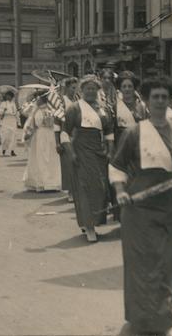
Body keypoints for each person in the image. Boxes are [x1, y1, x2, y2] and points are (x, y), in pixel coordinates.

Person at [110, 75, 172, 336]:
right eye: (154, 97)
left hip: (170, 206)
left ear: (170, 100)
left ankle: (165, 320)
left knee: (166, 263)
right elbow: (117, 166)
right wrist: (120, 192)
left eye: (164, 96)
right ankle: (139, 319)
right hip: (139, 209)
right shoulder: (133, 132)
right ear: (146, 102)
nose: (160, 101)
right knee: (141, 266)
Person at [59, 75, 114, 242]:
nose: (91, 91)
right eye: (87, 88)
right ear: (81, 90)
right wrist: (71, 153)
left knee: (100, 188)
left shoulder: (103, 109)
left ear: (98, 91)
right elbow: (64, 133)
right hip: (81, 151)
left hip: (99, 152)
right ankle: (88, 226)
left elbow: (109, 132)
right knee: (84, 189)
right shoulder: (74, 108)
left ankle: (93, 221)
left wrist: (110, 151)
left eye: (94, 89)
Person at [22, 92, 61, 191]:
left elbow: (33, 123)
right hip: (50, 134)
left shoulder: (38, 111)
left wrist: (28, 134)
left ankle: (44, 182)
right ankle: (50, 182)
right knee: (49, 158)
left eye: (38, 98)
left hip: (41, 134)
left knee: (41, 158)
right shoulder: (52, 110)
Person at [55, 77, 79, 202]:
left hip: (78, 135)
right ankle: (70, 191)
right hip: (65, 135)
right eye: (73, 88)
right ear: (67, 88)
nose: (75, 90)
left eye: (76, 88)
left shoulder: (78, 100)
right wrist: (57, 142)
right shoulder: (61, 102)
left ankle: (77, 190)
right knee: (68, 164)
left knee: (78, 164)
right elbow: (57, 123)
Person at [114, 71, 147, 142]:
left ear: (134, 88)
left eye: (130, 86)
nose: (127, 89)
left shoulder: (141, 106)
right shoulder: (115, 106)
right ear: (120, 88)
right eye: (124, 86)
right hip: (121, 142)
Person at [0, 91, 19, 157]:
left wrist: (18, 121)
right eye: (7, 95)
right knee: (5, 135)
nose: (8, 97)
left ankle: (12, 151)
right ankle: (3, 149)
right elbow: (0, 113)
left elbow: (16, 113)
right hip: (6, 120)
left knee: (13, 136)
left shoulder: (13, 104)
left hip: (13, 120)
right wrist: (4, 110)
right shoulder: (3, 103)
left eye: (9, 96)